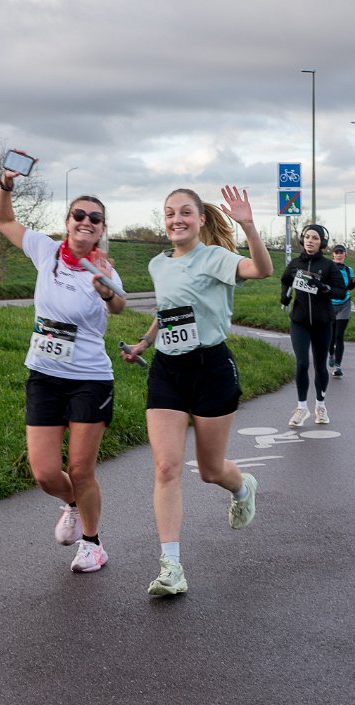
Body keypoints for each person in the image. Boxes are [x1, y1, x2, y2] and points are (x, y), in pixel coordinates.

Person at [122, 186, 273, 595]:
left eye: (185, 212)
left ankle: (242, 488)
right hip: (167, 371)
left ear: (201, 219)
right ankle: (171, 567)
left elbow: (262, 270)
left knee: (209, 470)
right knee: (166, 467)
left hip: (211, 370)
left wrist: (249, 226)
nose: (177, 219)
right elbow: (167, 311)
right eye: (170, 213)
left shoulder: (216, 258)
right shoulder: (158, 264)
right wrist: (144, 342)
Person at [0, 158, 126, 574]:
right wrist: (6, 184)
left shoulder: (103, 269)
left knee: (81, 469)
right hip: (44, 375)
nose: (86, 221)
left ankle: (93, 544)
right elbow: (3, 221)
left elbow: (119, 307)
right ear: (68, 222)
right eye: (79, 215)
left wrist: (106, 291)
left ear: (102, 229)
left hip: (89, 378)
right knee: (46, 473)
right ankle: (71, 504)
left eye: (95, 218)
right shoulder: (45, 250)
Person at [280, 224, 346, 428]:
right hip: (299, 321)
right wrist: (284, 296)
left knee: (319, 366)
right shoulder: (295, 264)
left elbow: (341, 291)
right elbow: (285, 280)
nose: (310, 241)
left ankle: (320, 405)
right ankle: (301, 408)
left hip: (322, 323)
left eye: (315, 238)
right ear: (302, 239)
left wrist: (324, 287)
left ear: (322, 242)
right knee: (302, 363)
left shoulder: (329, 266)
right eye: (307, 237)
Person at [328, 244, 355, 377]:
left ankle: (338, 367)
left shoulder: (349, 270)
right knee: (330, 336)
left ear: (345, 255)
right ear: (333, 254)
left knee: (339, 335)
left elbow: (349, 286)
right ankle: (331, 354)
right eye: (336, 252)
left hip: (345, 305)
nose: (339, 255)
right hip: (330, 305)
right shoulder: (328, 267)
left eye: (341, 252)